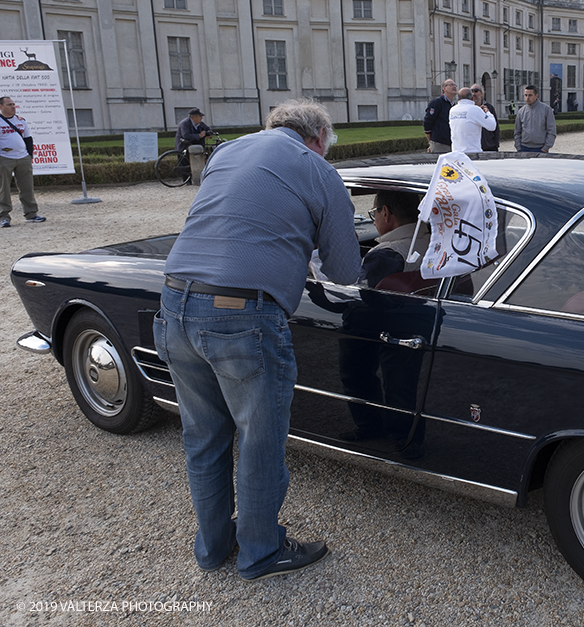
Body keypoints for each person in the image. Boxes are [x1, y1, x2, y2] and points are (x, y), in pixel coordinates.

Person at [155, 98, 361, 581]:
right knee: (259, 440)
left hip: (173, 301)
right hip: (241, 315)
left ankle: (212, 546)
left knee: (203, 437)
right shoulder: (320, 171)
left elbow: (227, 220)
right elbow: (346, 270)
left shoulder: (226, 152)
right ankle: (262, 552)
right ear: (319, 139)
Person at [359, 190, 429, 287]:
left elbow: (359, 296)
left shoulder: (382, 258)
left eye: (374, 214)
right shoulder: (433, 242)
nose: (374, 223)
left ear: (385, 213)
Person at [0, 96, 45, 227]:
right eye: (9, 104)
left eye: (14, 104)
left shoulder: (21, 120)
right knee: (3, 189)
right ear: (1, 107)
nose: (13, 106)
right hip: (4, 158)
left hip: (23, 158)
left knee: (27, 187)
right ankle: (4, 217)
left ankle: (31, 214)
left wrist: (29, 155)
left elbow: (28, 138)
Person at [514, 85, 556, 153]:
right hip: (524, 148)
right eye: (525, 95)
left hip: (540, 148)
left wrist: (546, 147)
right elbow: (517, 132)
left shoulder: (546, 109)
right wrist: (518, 147)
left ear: (536, 96)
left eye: (530, 95)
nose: (527, 98)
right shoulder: (521, 111)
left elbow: (551, 130)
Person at [424, 79, 458, 153]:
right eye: (451, 85)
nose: (454, 87)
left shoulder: (455, 105)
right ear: (444, 88)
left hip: (453, 144)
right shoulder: (436, 103)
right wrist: (431, 142)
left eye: (455, 85)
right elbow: (427, 122)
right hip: (440, 144)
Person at [471, 83, 501, 151]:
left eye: (476, 91)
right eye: (471, 91)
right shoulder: (469, 108)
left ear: (481, 93)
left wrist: (496, 144)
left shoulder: (489, 107)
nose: (473, 94)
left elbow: (496, 127)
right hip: (474, 147)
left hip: (489, 146)